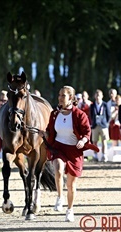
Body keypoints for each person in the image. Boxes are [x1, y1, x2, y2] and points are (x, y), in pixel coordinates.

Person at [38, 85, 91, 222]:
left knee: (71, 185)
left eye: (63, 95)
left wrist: (83, 140)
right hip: (58, 148)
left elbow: (87, 132)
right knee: (59, 169)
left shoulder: (79, 115)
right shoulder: (54, 114)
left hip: (74, 151)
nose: (60, 98)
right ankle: (59, 197)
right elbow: (50, 131)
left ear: (71, 98)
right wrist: (44, 133)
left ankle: (70, 209)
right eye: (59, 95)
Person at [90, 89, 110, 162]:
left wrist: (105, 122)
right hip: (95, 125)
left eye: (99, 95)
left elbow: (108, 115)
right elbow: (91, 115)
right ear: (95, 96)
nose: (98, 97)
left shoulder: (105, 105)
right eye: (97, 95)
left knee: (104, 141)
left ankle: (104, 155)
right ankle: (95, 156)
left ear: (102, 96)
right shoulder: (92, 105)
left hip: (103, 125)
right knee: (94, 141)